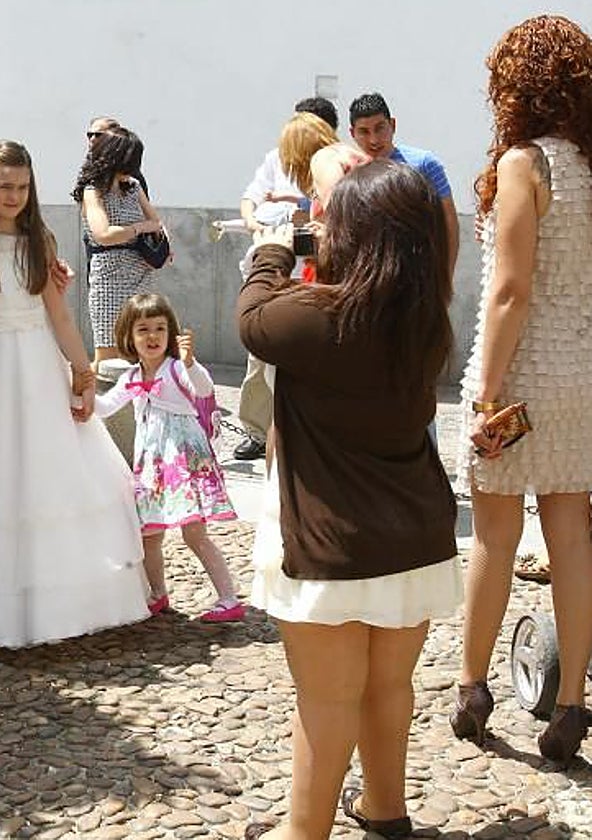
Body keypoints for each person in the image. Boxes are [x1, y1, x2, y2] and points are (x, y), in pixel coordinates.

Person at [238, 161, 459, 840]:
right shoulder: (426, 322)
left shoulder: (315, 317)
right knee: (389, 687)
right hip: (412, 534)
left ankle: (302, 833)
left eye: (332, 215)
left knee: (326, 698)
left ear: (358, 235)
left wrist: (276, 244)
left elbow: (252, 317)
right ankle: (385, 810)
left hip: (329, 542)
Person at [453, 15, 592, 767]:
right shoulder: (591, 166)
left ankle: (473, 689)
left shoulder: (522, 164)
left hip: (522, 381)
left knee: (495, 540)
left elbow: (509, 290)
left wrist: (485, 394)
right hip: (584, 377)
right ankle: (571, 706)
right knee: (571, 538)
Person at [0, 140, 149, 648]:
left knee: (48, 470)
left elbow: (58, 314)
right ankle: (5, 604)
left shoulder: (40, 239)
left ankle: (63, 600)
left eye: (22, 186)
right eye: (4, 186)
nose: (14, 195)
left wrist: (83, 373)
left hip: (37, 364)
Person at [95, 293, 243, 620]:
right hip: (152, 469)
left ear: (171, 333)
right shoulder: (131, 378)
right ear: (128, 337)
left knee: (195, 533)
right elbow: (105, 407)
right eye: (143, 329)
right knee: (149, 534)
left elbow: (203, 390)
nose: (152, 336)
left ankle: (229, 598)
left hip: (184, 465)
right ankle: (158, 594)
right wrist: (71, 386)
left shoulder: (178, 368)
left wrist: (190, 362)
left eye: (160, 329)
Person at [234, 97, 340, 462]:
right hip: (278, 275)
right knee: (263, 364)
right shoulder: (276, 159)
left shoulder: (338, 171)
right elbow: (250, 198)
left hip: (314, 286)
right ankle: (258, 432)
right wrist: (256, 223)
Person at [73, 128, 167, 370]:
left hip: (140, 271)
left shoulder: (134, 187)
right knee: (108, 354)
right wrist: (139, 228)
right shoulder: (93, 191)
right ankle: (99, 405)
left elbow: (157, 224)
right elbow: (103, 235)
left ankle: (138, 404)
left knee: (139, 348)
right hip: (109, 275)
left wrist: (161, 245)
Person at [348, 92, 460, 276]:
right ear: (353, 133)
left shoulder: (424, 164)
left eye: (379, 128)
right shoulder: (349, 171)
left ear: (392, 125)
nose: (374, 140)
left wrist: (445, 277)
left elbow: (448, 224)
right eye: (364, 132)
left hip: (418, 279)